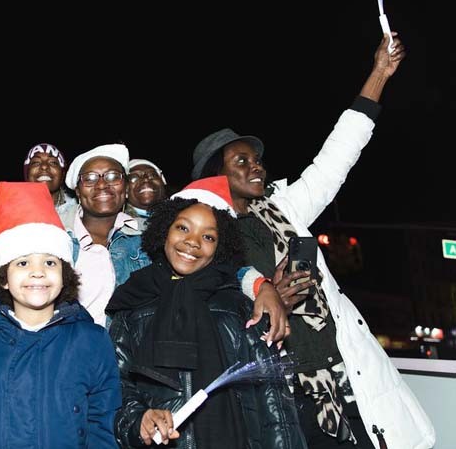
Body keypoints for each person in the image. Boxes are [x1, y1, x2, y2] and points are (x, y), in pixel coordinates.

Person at [191, 33, 435, 448]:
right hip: (285, 396)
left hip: (344, 378)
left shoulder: (286, 209)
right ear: (215, 174)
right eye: (242, 161)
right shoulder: (204, 237)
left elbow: (339, 154)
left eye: (257, 159)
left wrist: (378, 74)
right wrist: (270, 300)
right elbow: (211, 321)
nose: (258, 168)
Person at [0, 144, 292, 371]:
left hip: (144, 377)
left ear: (125, 188)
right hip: (62, 372)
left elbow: (210, 258)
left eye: (112, 177)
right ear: (78, 191)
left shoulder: (150, 241)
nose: (102, 184)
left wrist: (260, 284)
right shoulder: (53, 244)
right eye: (90, 178)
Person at [107, 176, 305, 449]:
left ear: (219, 248)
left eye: (208, 236)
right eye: (183, 228)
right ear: (164, 230)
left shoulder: (241, 307)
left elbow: (274, 402)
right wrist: (138, 419)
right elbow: (115, 388)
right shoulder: (132, 305)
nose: (193, 242)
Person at [0, 181, 121, 448]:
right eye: (23, 263)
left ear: (64, 274)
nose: (38, 272)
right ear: (3, 278)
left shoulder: (91, 340)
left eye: (50, 262)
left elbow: (103, 421)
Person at [23, 142, 77, 215]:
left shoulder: (78, 212)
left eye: (53, 162)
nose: (44, 166)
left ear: (63, 174)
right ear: (27, 174)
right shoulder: (12, 209)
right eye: (36, 162)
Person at [124, 158, 168, 228]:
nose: (145, 179)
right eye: (134, 178)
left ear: (163, 181)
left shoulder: (180, 216)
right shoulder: (117, 226)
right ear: (125, 190)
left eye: (153, 175)